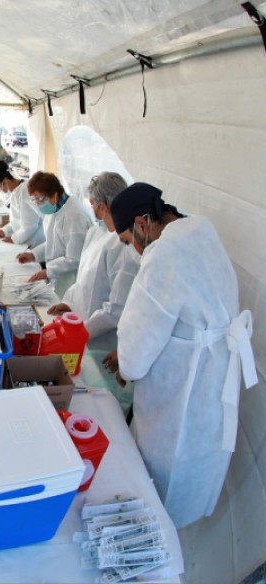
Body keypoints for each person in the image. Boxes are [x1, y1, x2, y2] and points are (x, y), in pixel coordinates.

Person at [105, 182, 257, 528]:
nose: (133, 252)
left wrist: (127, 363)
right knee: (193, 485)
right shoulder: (201, 231)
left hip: (183, 399)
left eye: (128, 242)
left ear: (142, 224)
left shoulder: (164, 254)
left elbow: (135, 353)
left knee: (162, 500)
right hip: (215, 386)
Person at [47, 172, 139, 351]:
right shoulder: (96, 233)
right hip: (81, 324)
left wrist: (83, 330)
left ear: (103, 207)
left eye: (93, 205)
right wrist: (69, 303)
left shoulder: (124, 244)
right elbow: (83, 279)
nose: (92, 210)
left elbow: (117, 308)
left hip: (104, 338)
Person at [16, 171, 92, 297]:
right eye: (35, 201)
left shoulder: (74, 216)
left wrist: (48, 271)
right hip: (59, 278)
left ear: (54, 195)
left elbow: (74, 258)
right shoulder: (56, 209)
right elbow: (54, 243)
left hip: (73, 280)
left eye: (40, 200)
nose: (39, 205)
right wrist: (33, 255)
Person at [0, 162, 44, 248]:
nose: (0, 192)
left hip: (35, 241)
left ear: (5, 182)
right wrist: (4, 231)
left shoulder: (24, 191)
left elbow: (30, 225)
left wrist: (13, 239)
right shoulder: (17, 191)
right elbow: (17, 221)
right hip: (26, 240)